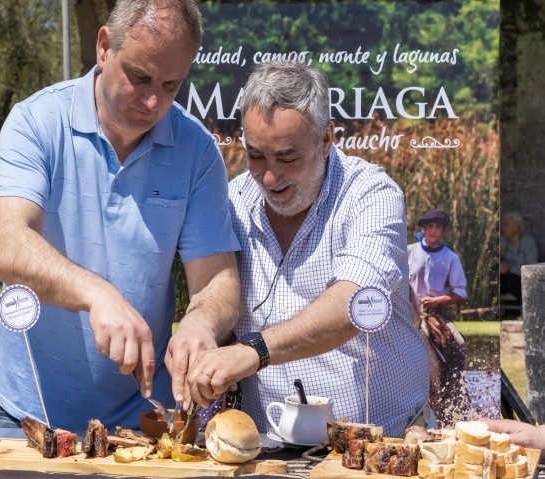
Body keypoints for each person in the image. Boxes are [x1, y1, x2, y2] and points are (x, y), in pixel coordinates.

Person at [0, 0, 241, 430]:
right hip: (28, 410)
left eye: (171, 84)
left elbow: (219, 279)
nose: (153, 99)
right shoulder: (37, 120)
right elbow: (4, 244)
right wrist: (97, 294)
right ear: (104, 47)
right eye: (139, 77)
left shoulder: (196, 150)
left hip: (142, 416)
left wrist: (202, 320)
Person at [184, 61, 432, 443]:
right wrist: (200, 328)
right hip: (268, 451)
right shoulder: (231, 202)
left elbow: (354, 306)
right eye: (255, 156)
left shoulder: (371, 194)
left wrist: (254, 351)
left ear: (326, 139)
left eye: (287, 158)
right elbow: (215, 293)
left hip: (384, 445)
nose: (269, 178)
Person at [408, 209, 469, 427]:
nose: (434, 231)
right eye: (430, 226)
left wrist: (437, 300)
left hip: (435, 312)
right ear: (424, 229)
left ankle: (454, 390)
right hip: (409, 311)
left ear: (442, 230)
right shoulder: (409, 251)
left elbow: (460, 292)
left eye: (438, 227)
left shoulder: (450, 257)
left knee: (459, 343)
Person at [500, 211, 538, 313]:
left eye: (506, 225)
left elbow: (531, 267)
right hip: (504, 279)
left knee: (510, 280)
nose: (503, 228)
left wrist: (510, 269)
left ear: (516, 227)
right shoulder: (502, 241)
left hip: (520, 279)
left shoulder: (528, 242)